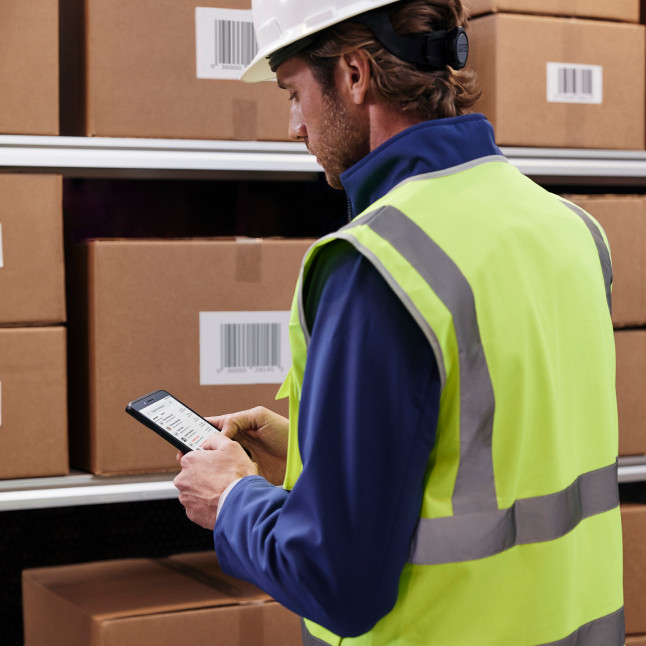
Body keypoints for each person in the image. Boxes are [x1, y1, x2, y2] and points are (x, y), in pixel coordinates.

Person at [173, 0, 624, 643]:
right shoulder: (569, 229)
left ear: (354, 75)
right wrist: (314, 448)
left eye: (294, 93)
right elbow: (504, 442)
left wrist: (233, 498)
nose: (293, 127)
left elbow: (336, 581)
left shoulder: (381, 262)